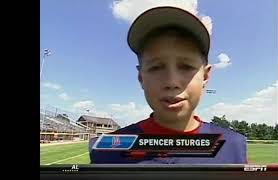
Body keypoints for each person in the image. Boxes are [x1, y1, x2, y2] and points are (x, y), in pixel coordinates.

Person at [89, 6, 247, 164]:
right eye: (156, 67)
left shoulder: (233, 146)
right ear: (141, 78)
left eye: (186, 67)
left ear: (205, 76)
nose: (172, 82)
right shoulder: (107, 150)